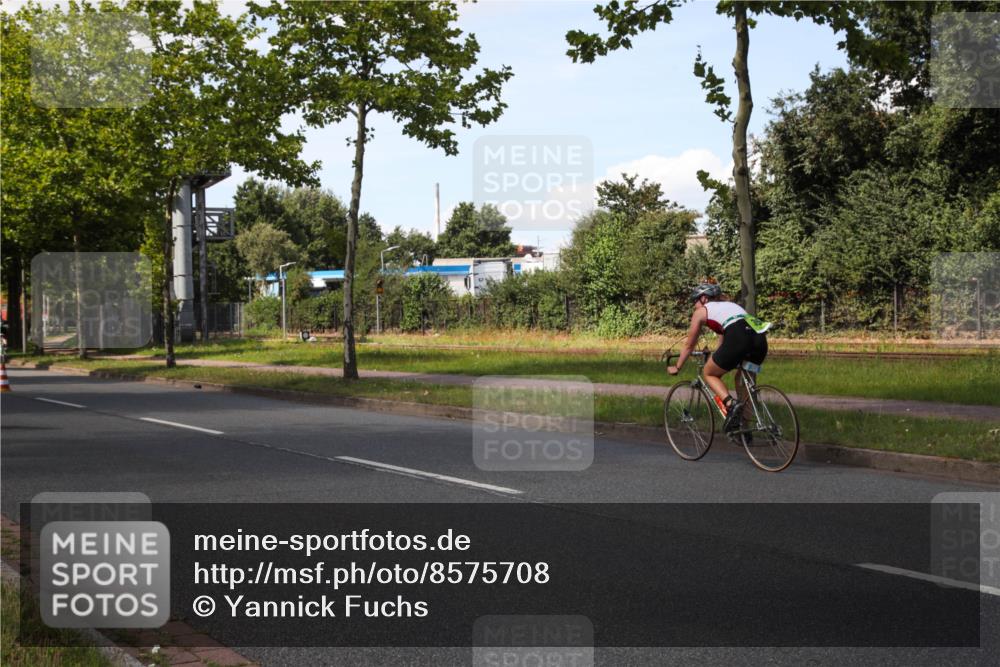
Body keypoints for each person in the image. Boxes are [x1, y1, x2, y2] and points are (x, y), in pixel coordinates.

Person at [667, 282, 770, 431]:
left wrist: (677, 366)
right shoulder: (731, 306)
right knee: (742, 382)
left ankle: (731, 404)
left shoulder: (702, 311)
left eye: (695, 301)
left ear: (704, 298)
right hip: (759, 340)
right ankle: (745, 429)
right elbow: (723, 342)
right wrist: (715, 357)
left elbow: (689, 344)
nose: (694, 305)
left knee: (709, 373)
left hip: (739, 338)